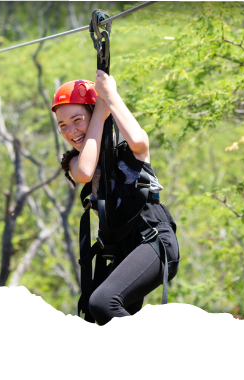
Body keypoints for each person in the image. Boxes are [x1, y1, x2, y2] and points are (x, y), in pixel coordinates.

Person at [51, 70, 180, 325]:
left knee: (103, 302)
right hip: (126, 250)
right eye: (63, 125)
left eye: (77, 120)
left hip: (153, 240)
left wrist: (110, 97)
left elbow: (138, 139)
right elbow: (86, 172)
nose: (70, 131)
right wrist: (97, 113)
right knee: (102, 311)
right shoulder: (74, 161)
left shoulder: (127, 149)